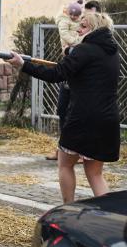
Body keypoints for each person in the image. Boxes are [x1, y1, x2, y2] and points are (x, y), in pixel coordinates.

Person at [6, 12, 120, 203]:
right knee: (95, 174)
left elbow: (56, 74)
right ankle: (111, 217)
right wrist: (70, 52)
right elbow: (80, 63)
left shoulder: (85, 50)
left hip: (83, 118)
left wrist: (23, 65)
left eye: (83, 26)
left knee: (65, 165)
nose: (78, 28)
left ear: (93, 29)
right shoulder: (111, 51)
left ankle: (68, 209)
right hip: (107, 118)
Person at [47, 0, 84, 160]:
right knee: (62, 110)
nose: (79, 25)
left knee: (77, 113)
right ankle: (63, 149)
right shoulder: (65, 23)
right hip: (68, 69)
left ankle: (82, 151)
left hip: (79, 77)